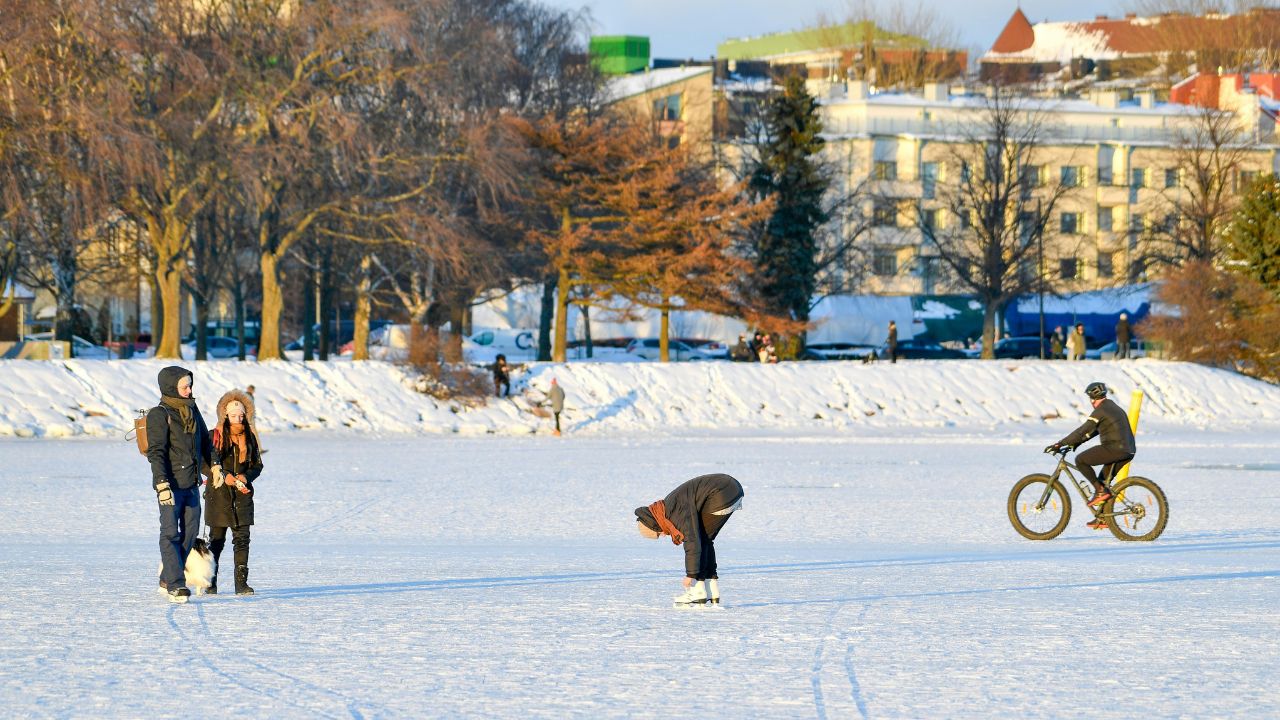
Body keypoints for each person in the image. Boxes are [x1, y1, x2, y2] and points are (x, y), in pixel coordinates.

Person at [146, 366, 212, 604]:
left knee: (191, 533)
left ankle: (167, 577)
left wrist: (214, 466)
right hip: (170, 486)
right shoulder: (159, 414)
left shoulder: (192, 409)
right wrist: (161, 484)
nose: (189, 390)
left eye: (190, 385)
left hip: (191, 483)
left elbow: (205, 441)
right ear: (171, 387)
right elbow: (156, 452)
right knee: (170, 533)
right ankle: (176, 584)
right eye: (185, 386)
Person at [635, 473, 744, 605]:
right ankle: (711, 589)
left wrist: (691, 575)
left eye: (658, 533)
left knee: (700, 539)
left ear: (655, 525)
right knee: (705, 539)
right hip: (731, 489)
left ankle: (697, 591)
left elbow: (692, 541)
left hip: (722, 491)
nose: (662, 535)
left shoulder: (673, 512)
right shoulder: (667, 509)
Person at [1045, 382, 1136, 530]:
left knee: (1081, 460)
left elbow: (1083, 430)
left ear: (1092, 398)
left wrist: (1059, 444)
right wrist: (1074, 444)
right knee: (1103, 482)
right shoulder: (1111, 407)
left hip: (1115, 448)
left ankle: (1100, 491)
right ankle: (1103, 518)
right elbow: (1091, 432)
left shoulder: (1101, 410)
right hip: (1128, 451)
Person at [206, 389, 264, 595]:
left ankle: (241, 584)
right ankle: (210, 582)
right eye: (233, 415)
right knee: (216, 541)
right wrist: (223, 476)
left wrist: (246, 476)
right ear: (225, 415)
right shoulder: (213, 436)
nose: (238, 419)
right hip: (219, 495)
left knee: (242, 541)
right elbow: (203, 464)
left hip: (242, 495)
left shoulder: (250, 437)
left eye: (241, 415)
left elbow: (258, 465)